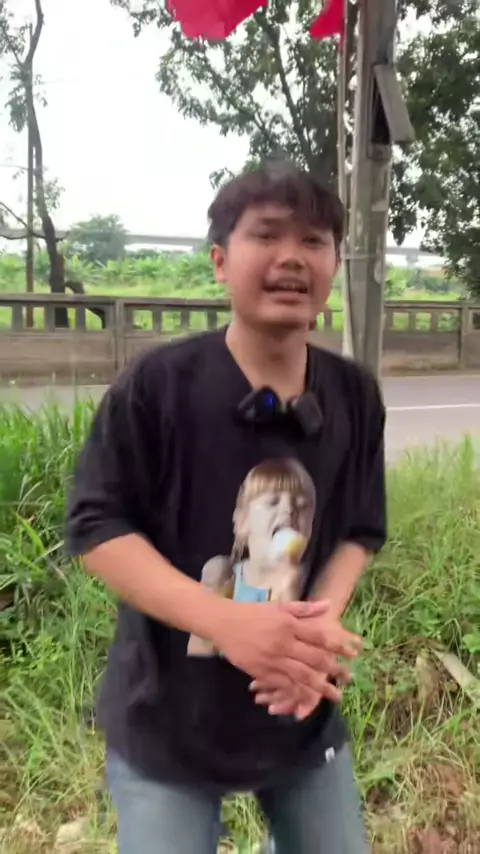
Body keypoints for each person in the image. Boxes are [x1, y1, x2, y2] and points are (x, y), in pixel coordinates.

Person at [65, 162, 386, 854]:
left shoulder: (354, 395)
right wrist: (228, 623)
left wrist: (316, 630)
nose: (292, 257)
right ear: (219, 261)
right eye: (267, 235)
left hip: (297, 708)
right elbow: (97, 527)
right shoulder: (158, 387)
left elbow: (360, 527)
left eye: (314, 241)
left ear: (335, 264)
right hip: (169, 718)